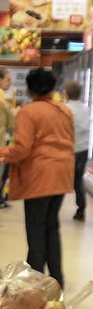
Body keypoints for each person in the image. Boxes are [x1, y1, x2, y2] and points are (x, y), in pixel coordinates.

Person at [0, 68, 74, 287]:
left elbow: (22, 149)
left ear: (30, 88)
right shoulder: (64, 110)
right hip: (61, 175)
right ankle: (56, 280)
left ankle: (34, 283)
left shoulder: (29, 112)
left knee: (35, 230)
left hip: (39, 177)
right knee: (51, 229)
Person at [62, 79, 90, 221]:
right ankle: (81, 210)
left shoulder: (65, 109)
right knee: (78, 180)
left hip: (69, 150)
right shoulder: (86, 108)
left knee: (60, 179)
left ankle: (53, 209)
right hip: (83, 150)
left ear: (66, 93)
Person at [0, 67, 14, 209]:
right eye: (8, 80)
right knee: (1, 171)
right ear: (0, 80)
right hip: (0, 139)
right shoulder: (2, 97)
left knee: (0, 171)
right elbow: (10, 121)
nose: (10, 83)